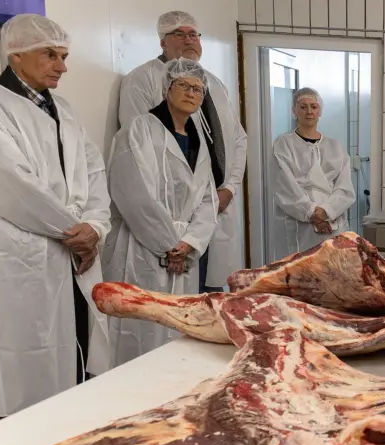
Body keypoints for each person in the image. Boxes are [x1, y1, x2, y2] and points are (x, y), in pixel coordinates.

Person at [0, 13, 113, 419]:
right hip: (21, 249)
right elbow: (12, 184)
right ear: (16, 55)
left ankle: (72, 436)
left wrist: (94, 226)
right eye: (50, 54)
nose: (62, 66)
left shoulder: (64, 109)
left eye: (63, 55)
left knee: (77, 346)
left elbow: (94, 171)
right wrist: (72, 231)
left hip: (74, 249)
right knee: (25, 361)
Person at [119, 10, 248, 292]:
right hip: (173, 216)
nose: (189, 40)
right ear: (162, 41)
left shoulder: (214, 83)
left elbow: (238, 138)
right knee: (176, 303)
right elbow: (140, 154)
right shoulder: (141, 80)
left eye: (194, 34)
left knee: (212, 293)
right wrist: (172, 231)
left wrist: (230, 188)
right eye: (179, 33)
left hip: (216, 204)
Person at [103, 58, 218, 365]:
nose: (191, 93)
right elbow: (132, 192)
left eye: (198, 89)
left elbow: (208, 198)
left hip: (183, 249)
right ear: (167, 88)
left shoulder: (198, 139)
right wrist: (169, 245)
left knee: (178, 327)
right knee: (141, 327)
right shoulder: (139, 129)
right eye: (183, 85)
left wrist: (190, 242)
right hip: (144, 246)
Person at [269, 87, 357, 257]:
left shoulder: (335, 147)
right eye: (303, 107)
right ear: (294, 110)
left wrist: (327, 211)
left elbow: (344, 188)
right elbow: (284, 185)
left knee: (331, 273)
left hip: (332, 225)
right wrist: (312, 212)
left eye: (313, 106)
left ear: (320, 111)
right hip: (298, 225)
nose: (309, 111)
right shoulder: (284, 144)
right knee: (298, 274)